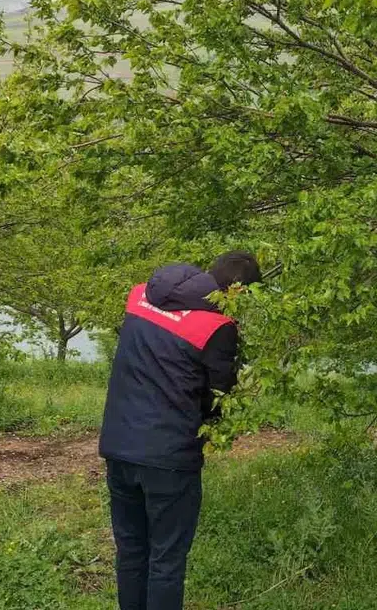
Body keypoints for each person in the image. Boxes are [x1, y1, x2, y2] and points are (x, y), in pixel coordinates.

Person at [99, 251, 262, 610]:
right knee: (166, 560)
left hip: (118, 445)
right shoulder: (218, 328)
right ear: (237, 292)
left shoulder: (140, 295)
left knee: (131, 550)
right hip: (169, 457)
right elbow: (217, 397)